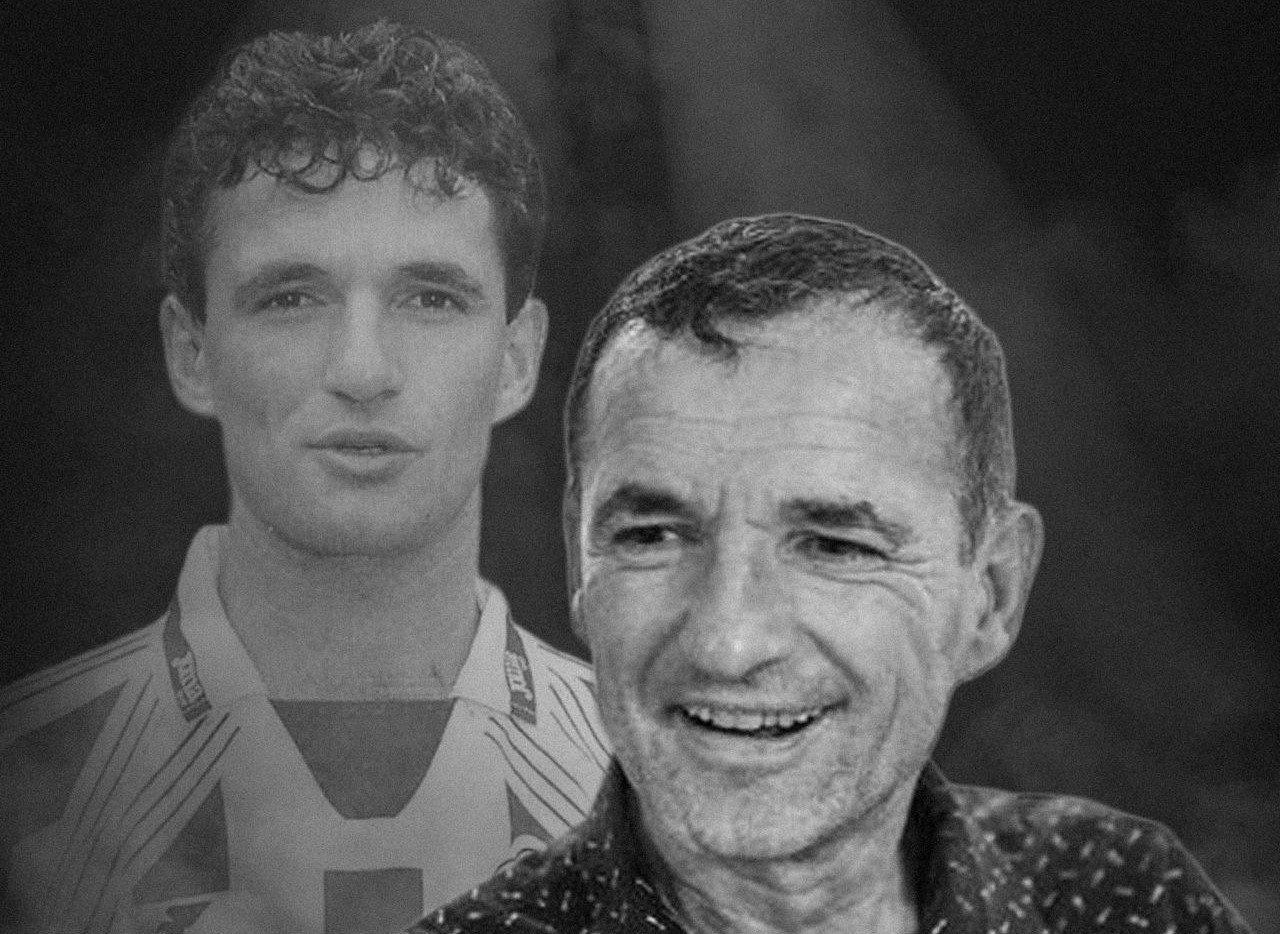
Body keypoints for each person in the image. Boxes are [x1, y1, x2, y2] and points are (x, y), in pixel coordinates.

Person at [409, 214, 1252, 934]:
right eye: (653, 535)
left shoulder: (1120, 893)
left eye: (835, 547)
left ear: (992, 593)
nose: (728, 642)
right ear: (579, 560)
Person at [0, 22, 608, 934]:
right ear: (191, 352)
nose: (363, 369)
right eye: (292, 298)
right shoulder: (20, 786)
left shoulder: (654, 784)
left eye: (430, 298)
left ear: (518, 358)